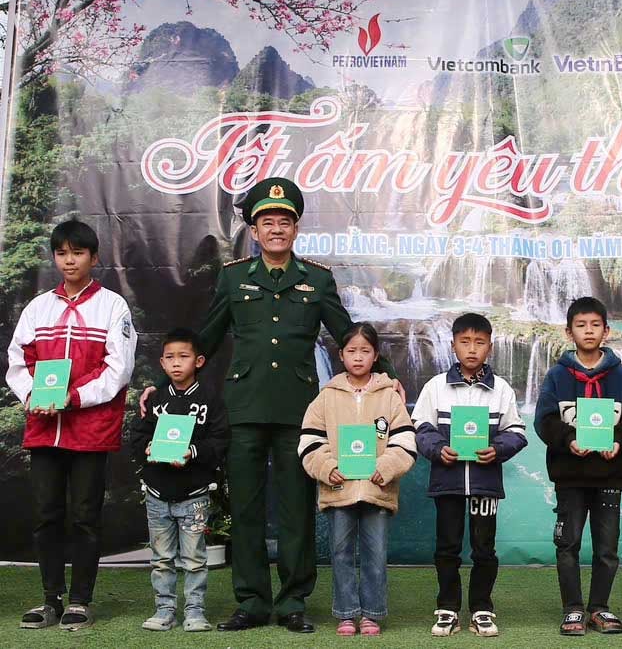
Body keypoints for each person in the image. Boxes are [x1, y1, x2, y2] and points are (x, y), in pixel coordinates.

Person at [142, 177, 399, 634]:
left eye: (284, 221)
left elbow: (346, 333)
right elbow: (207, 338)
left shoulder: (316, 279)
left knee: (296, 508)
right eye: (267, 222)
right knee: (245, 508)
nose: (276, 229)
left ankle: (294, 601)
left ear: (295, 229)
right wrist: (162, 386)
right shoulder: (233, 277)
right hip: (244, 408)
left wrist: (387, 375)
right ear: (255, 231)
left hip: (299, 410)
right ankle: (252, 602)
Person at [8, 219, 137, 631]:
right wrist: (33, 395)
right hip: (44, 429)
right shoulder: (37, 307)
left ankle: (80, 600)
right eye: (62, 253)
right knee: (46, 514)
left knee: (85, 516)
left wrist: (74, 396)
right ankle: (50, 599)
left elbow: (119, 369)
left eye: (78, 253)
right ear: (54, 257)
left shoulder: (112, 307)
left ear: (93, 258)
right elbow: (18, 360)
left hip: (90, 430)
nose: (69, 260)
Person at [534, 296, 622, 636]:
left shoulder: (620, 375)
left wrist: (618, 440)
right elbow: (544, 420)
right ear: (569, 332)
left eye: (595, 325)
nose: (588, 331)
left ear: (606, 331)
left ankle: (599, 607)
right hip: (570, 476)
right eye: (581, 325)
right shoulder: (557, 375)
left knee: (607, 547)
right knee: (567, 544)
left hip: (609, 475)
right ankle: (572, 609)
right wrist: (569, 439)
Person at [413, 313, 527, 638]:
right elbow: (420, 427)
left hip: (485, 484)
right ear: (453, 345)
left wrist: (497, 448)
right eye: (465, 342)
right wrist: (438, 449)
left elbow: (517, 431)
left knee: (484, 549)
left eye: (479, 342)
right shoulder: (436, 387)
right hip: (447, 483)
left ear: (490, 347)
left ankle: (481, 608)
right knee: (447, 547)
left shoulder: (500, 389)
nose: (472, 349)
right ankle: (447, 607)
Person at [299, 323, 417, 637]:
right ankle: (347, 613)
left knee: (375, 555)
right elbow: (310, 440)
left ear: (375, 355)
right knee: (340, 554)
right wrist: (327, 467)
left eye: (365, 351)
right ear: (341, 355)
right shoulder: (326, 396)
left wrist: (386, 467)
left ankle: (372, 614)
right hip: (339, 490)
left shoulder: (389, 397)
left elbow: (404, 440)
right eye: (352, 351)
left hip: (378, 490)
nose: (358, 357)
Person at [127, 328, 230, 632]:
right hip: (157, 492)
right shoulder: (154, 399)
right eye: (169, 357)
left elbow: (220, 439)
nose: (176, 363)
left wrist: (192, 452)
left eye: (183, 357)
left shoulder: (210, 399)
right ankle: (164, 610)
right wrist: (147, 449)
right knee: (161, 558)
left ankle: (195, 612)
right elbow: (137, 435)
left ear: (198, 361)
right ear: (161, 362)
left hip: (194, 494)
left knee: (195, 559)